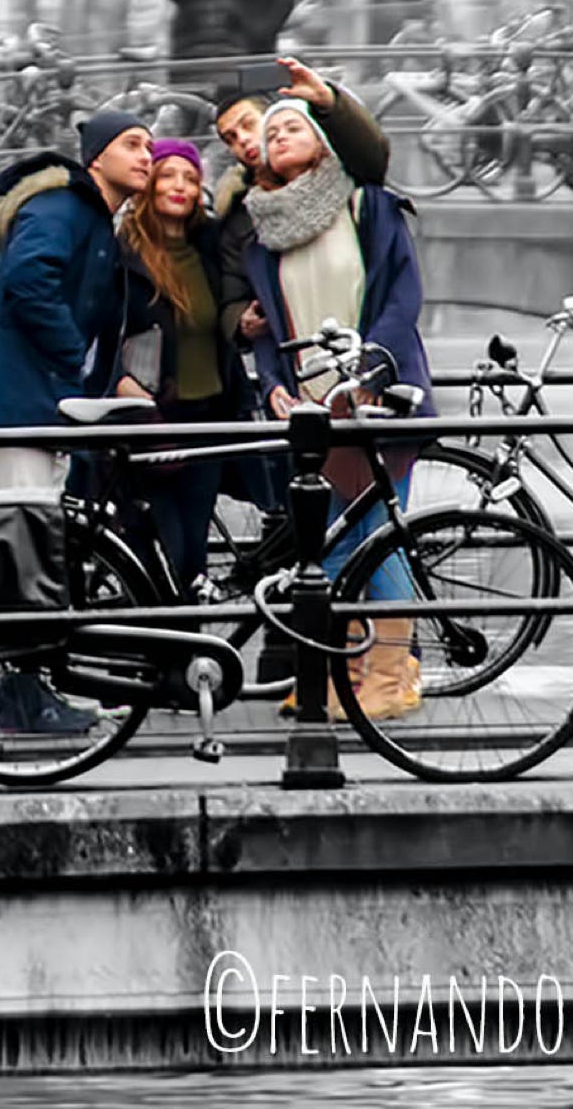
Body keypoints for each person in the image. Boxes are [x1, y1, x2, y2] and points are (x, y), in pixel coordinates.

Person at [0, 108, 155, 736]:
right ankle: (22, 698)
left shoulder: (94, 219)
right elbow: (27, 280)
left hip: (33, 403)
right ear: (97, 158)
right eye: (132, 145)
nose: (146, 156)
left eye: (149, 146)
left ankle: (25, 691)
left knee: (32, 541)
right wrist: (68, 361)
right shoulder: (62, 206)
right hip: (16, 402)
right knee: (25, 545)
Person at [238, 97, 433, 721]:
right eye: (272, 134)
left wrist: (373, 368)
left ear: (323, 140)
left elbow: (403, 296)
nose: (281, 137)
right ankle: (343, 670)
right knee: (327, 543)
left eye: (294, 126)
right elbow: (268, 324)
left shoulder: (365, 204)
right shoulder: (264, 231)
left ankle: (391, 673)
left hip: (370, 394)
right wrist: (271, 382)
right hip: (310, 405)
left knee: (377, 531)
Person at [209, 57, 391, 512]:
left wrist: (327, 101)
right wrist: (240, 321)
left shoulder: (349, 189)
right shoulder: (243, 212)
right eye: (230, 138)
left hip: (357, 377)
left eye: (249, 125)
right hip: (299, 386)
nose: (244, 143)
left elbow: (372, 157)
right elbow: (232, 292)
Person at [110, 139, 245, 588]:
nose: (180, 186)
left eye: (190, 178)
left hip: (207, 423)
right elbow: (99, 330)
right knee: (160, 555)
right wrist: (119, 383)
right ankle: (152, 654)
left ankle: (191, 656)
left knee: (194, 562)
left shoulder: (208, 247)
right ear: (147, 184)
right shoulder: (124, 253)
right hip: (152, 421)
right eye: (168, 175)